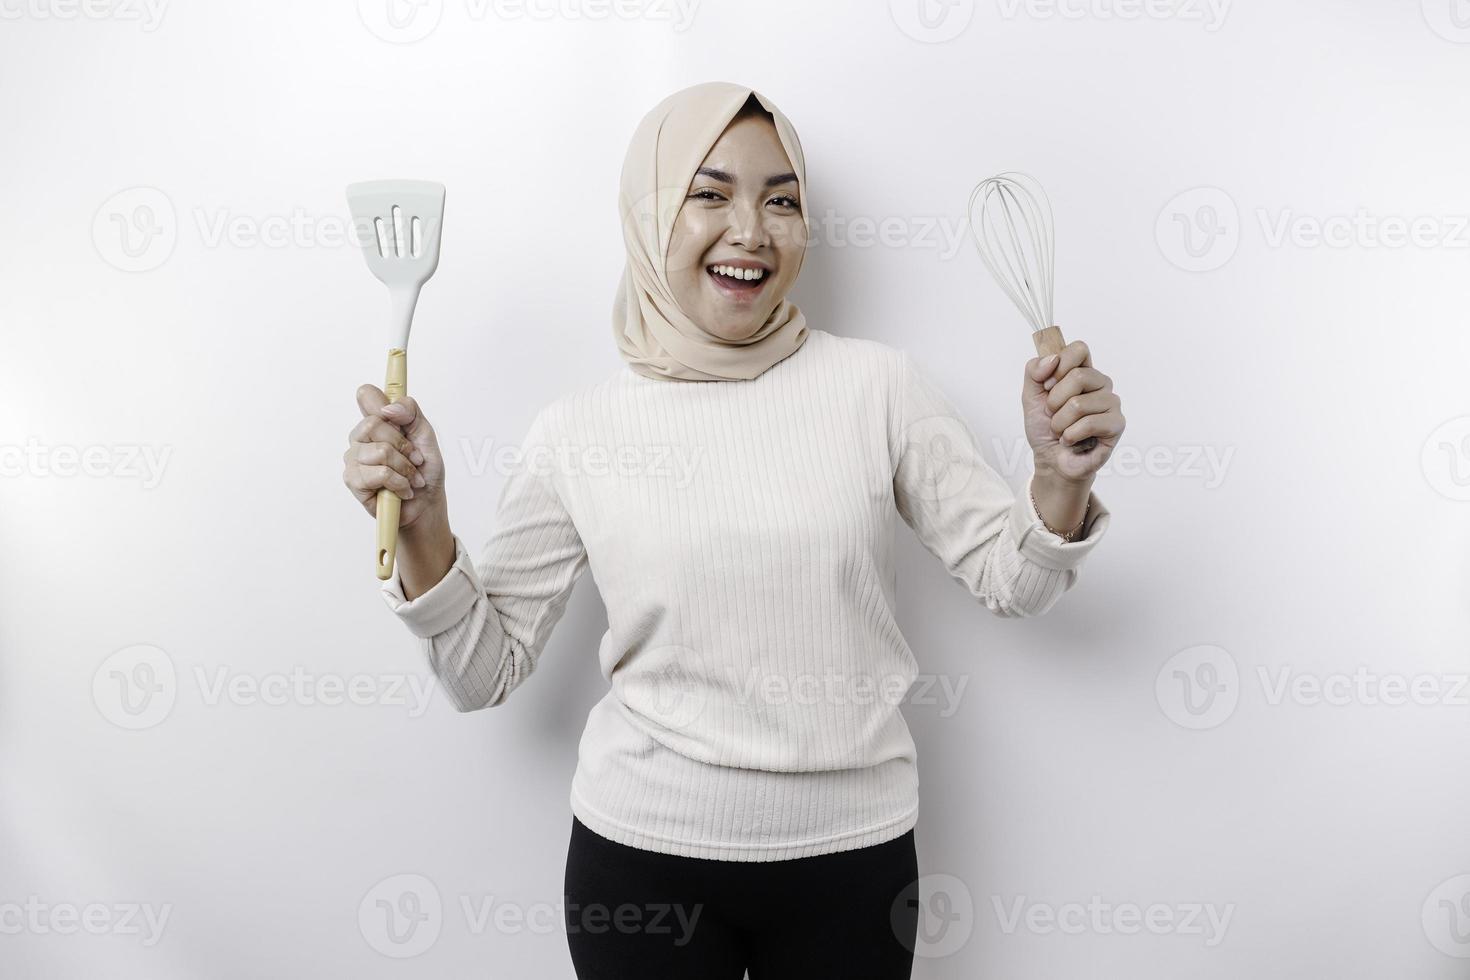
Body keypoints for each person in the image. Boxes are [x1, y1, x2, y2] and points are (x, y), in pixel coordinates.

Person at [341, 81, 1125, 980]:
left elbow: (1013, 583)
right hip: (641, 869)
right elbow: (482, 674)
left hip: (854, 865)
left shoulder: (879, 389)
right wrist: (425, 526)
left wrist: (1060, 480)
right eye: (708, 194)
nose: (752, 230)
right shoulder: (578, 431)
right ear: (647, 216)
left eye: (781, 199)